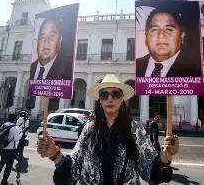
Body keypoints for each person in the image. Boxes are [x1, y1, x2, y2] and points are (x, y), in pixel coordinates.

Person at [37, 74, 179, 185]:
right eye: (104, 94)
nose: (110, 99)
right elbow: (76, 165)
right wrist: (55, 155)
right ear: (100, 100)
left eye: (115, 94)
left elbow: (148, 167)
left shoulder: (134, 128)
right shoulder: (89, 127)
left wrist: (165, 157)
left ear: (122, 98)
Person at [136, 7, 201, 77]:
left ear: (182, 35)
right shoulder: (137, 65)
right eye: (154, 29)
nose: (161, 35)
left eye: (169, 29)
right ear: (146, 36)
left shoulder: (194, 71)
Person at [0, 113, 20, 185]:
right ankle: (4, 181)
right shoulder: (15, 128)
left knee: (1, 163)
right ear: (15, 119)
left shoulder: (4, 125)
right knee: (8, 166)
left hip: (2, 148)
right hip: (10, 150)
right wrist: (21, 134)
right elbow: (16, 139)